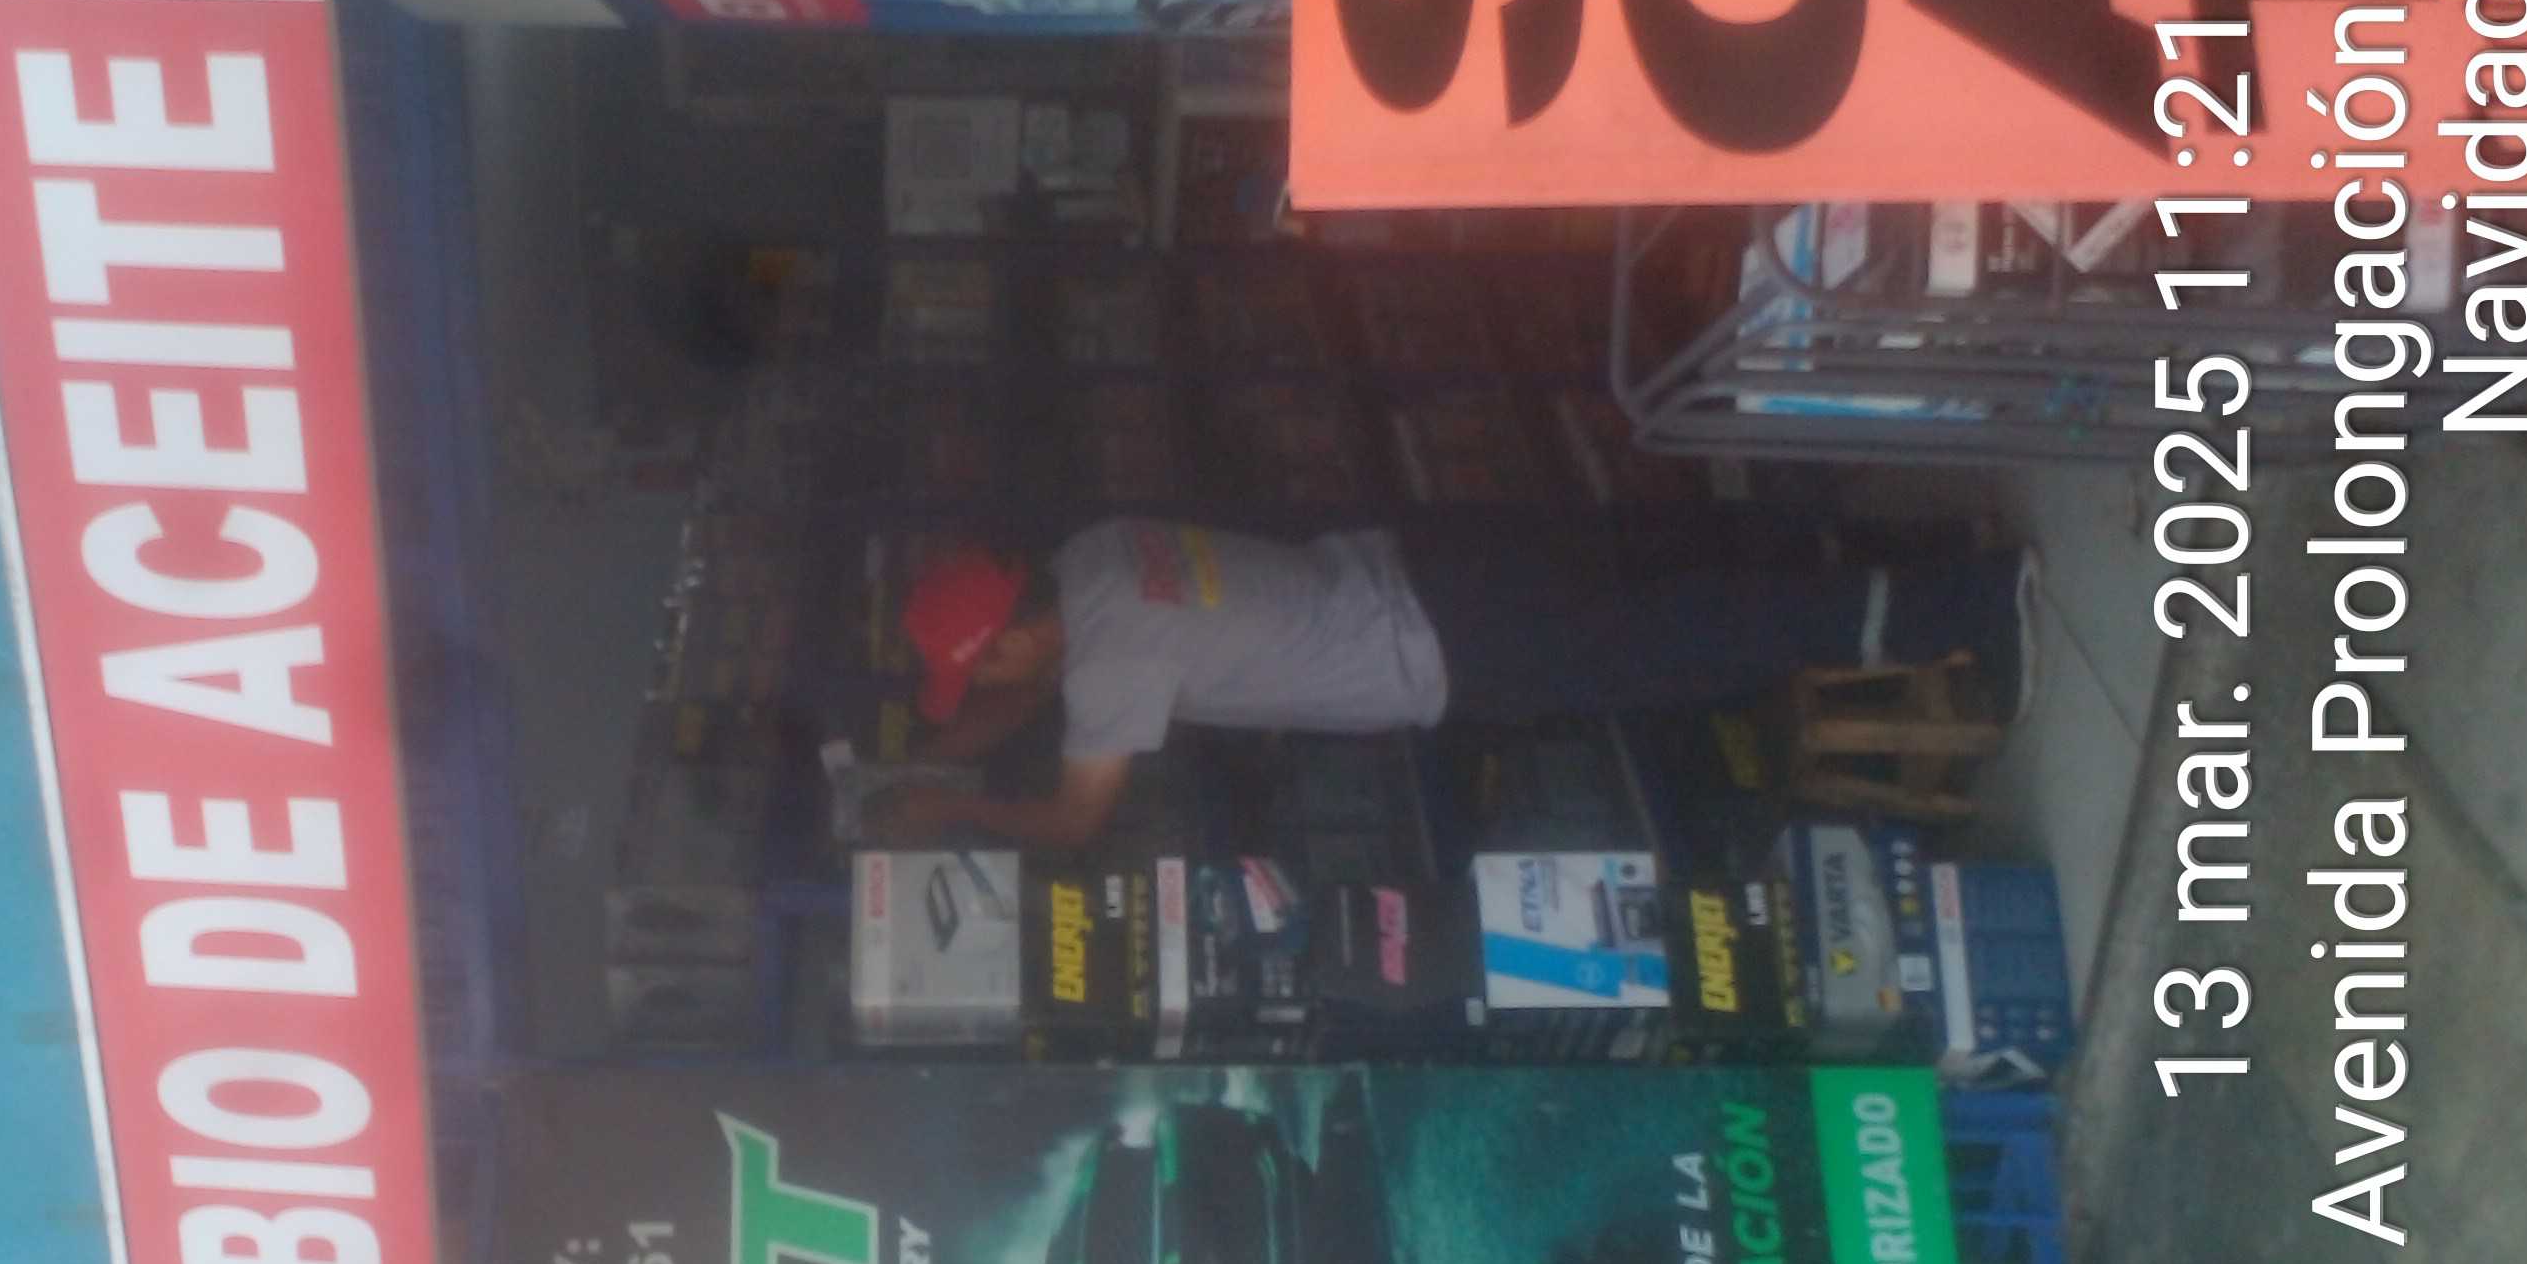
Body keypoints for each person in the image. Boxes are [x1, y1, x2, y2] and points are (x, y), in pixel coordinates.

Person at [866, 516, 2024, 850]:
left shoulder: (1112, 662)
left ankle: (1967, 604)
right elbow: (1038, 687)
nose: (990, 679)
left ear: (1011, 636)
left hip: (1449, 650)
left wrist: (951, 811)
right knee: (1693, 574)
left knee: (1702, 639)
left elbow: (1075, 820)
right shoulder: (1092, 558)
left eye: (982, 663)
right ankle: (1923, 558)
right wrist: (936, 747)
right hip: (1440, 566)